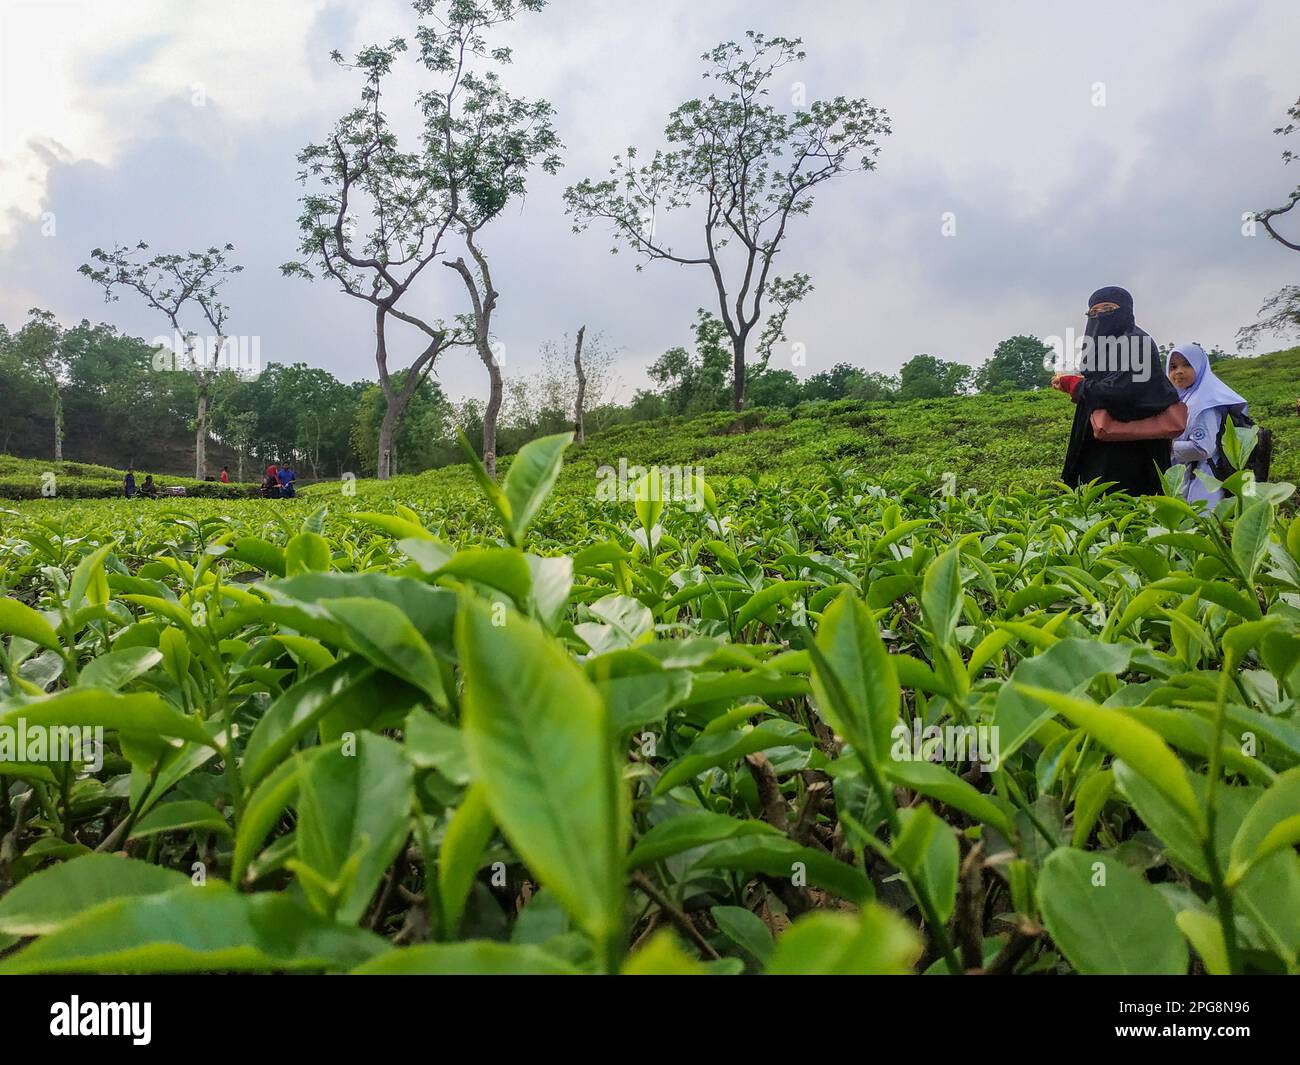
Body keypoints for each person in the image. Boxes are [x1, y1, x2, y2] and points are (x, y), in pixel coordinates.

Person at [1054, 286, 1180, 496]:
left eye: (1107, 308)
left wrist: (1077, 386)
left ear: (1126, 311)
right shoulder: (1099, 349)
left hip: (1134, 448)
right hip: (1097, 443)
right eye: (1093, 313)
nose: (1099, 316)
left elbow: (1126, 391)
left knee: (1128, 505)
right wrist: (1077, 384)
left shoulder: (1138, 342)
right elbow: (1106, 384)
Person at [1167, 343, 1247, 508]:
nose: (1179, 371)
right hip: (1193, 476)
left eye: (1187, 364)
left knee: (1204, 524)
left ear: (1200, 366)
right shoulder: (1185, 398)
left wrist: (1168, 446)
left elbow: (1203, 448)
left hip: (1205, 480)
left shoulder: (1204, 402)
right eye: (1173, 367)